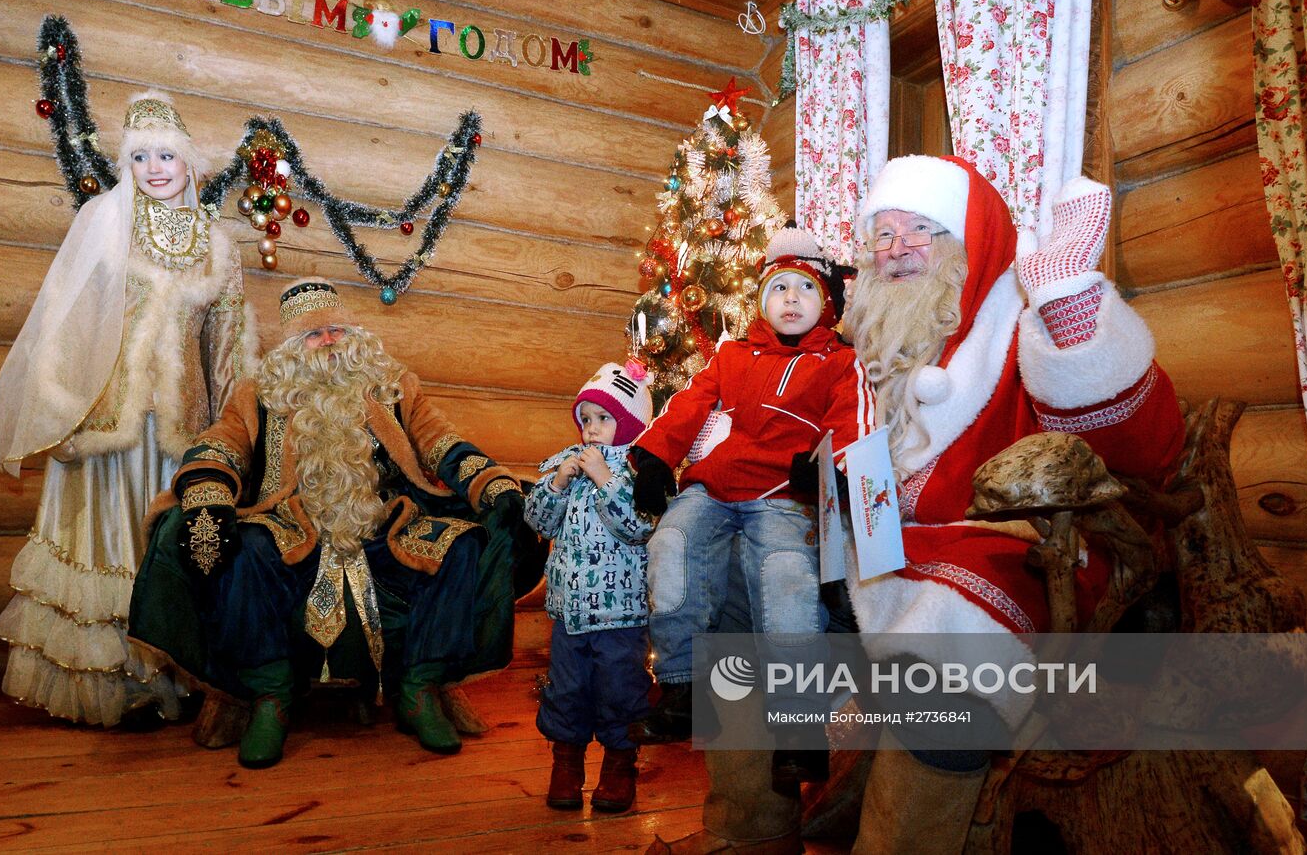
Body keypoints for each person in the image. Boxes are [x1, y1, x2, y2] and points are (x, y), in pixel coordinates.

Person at [649, 156, 1186, 855]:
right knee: (736, 608)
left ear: (968, 242)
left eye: (921, 230)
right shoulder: (852, 344)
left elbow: (1142, 448)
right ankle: (748, 832)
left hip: (1003, 545)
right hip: (870, 544)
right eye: (883, 233)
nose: (897, 248)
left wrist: (1069, 307)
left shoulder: (1019, 322)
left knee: (942, 664)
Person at [127, 278, 534, 768]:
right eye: (314, 337)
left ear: (354, 334)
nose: (330, 343)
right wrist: (210, 491)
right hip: (291, 527)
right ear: (293, 347)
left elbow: (441, 441)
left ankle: (419, 689)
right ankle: (271, 697)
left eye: (337, 331)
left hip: (383, 524)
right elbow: (224, 443)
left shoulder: (392, 385)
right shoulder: (260, 393)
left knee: (463, 546)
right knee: (247, 548)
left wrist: (492, 483)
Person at [0, 91, 253, 726]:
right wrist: (61, 403)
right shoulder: (104, 221)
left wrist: (232, 433)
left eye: (167, 155)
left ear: (190, 164)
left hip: (178, 432)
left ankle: (173, 676)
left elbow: (228, 348)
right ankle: (114, 686)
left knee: (163, 548)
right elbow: (66, 321)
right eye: (141, 157)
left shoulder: (219, 246)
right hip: (107, 422)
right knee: (107, 546)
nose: (156, 168)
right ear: (127, 165)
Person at [627, 228, 874, 782]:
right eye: (778, 287)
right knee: (670, 546)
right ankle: (682, 688)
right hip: (713, 488)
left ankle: (798, 722)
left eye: (804, 289)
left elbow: (854, 426)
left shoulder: (840, 363)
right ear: (762, 300)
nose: (790, 299)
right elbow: (689, 405)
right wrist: (654, 459)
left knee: (786, 576)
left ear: (827, 303)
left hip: (783, 496)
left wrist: (828, 469)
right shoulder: (733, 354)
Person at [524, 361, 655, 813]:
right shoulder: (568, 466)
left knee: (621, 689)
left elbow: (638, 526)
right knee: (566, 689)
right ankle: (566, 763)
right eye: (586, 420)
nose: (592, 430)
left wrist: (604, 477)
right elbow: (538, 521)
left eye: (604, 418)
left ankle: (620, 765)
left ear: (631, 423)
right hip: (569, 612)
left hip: (622, 614)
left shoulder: (640, 471)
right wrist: (559, 481)